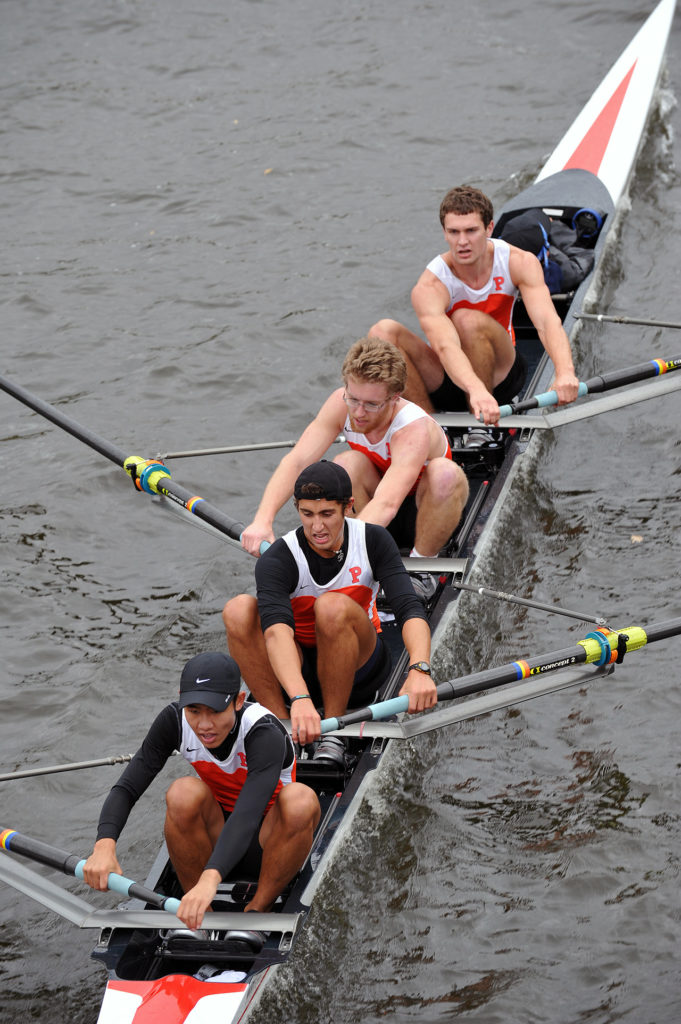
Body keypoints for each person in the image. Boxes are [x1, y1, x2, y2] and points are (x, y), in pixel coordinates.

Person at [82, 651, 321, 939]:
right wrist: (104, 846)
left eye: (215, 712)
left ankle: (257, 912)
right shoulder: (174, 721)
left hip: (269, 839)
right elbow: (127, 787)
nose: (204, 725)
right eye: (194, 711)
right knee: (182, 792)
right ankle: (198, 917)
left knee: (300, 800)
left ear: (239, 701)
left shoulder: (263, 731)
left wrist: (211, 879)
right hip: (216, 836)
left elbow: (247, 814)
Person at [223, 461, 435, 766]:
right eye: (307, 514)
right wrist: (299, 698)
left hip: (360, 665)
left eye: (326, 514)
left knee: (331, 606)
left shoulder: (373, 539)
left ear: (348, 507)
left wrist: (420, 668)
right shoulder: (281, 557)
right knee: (238, 610)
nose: (317, 527)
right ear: (296, 508)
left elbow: (409, 607)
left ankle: (335, 730)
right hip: (300, 670)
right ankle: (282, 729)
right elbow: (275, 632)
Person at [240, 336, 469, 569]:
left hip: (423, 512)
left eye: (371, 404)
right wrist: (262, 521)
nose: (358, 412)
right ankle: (354, 558)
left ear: (394, 398)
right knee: (346, 463)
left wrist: (347, 551)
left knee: (445, 474)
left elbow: (387, 503)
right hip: (374, 511)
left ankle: (423, 567)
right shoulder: (340, 404)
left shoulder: (411, 429)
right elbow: (297, 462)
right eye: (353, 399)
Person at [369, 184, 580, 429]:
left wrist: (564, 371)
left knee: (465, 319)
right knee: (382, 332)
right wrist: (474, 389)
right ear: (444, 233)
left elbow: (546, 322)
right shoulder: (431, 284)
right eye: (454, 232)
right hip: (453, 376)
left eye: (471, 231)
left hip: (501, 374)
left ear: (489, 228)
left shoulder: (518, 261)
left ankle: (481, 428)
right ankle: (427, 430)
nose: (462, 242)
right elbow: (445, 346)